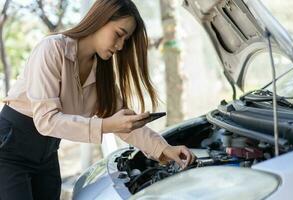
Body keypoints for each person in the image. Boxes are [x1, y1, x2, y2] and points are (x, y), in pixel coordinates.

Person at [0, 0, 195, 199]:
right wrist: (105, 125)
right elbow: (46, 121)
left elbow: (126, 125)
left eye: (125, 40)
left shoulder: (102, 72)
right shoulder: (52, 49)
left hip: (47, 153)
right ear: (100, 20)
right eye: (119, 34)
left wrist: (165, 148)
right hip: (10, 148)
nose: (120, 46)